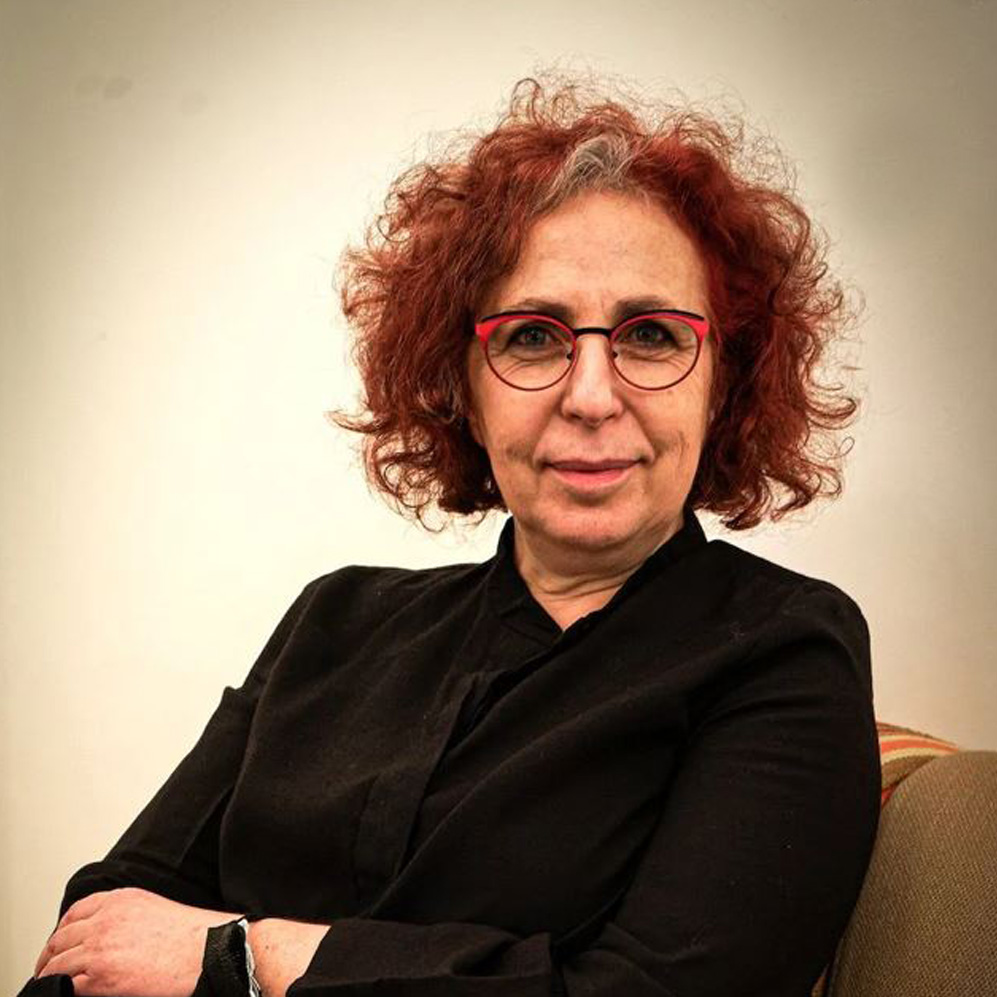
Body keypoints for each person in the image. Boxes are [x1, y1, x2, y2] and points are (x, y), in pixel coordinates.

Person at [26, 73, 880, 997]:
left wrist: (245, 954)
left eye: (651, 335)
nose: (592, 396)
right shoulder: (334, 619)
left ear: (724, 383)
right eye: (531, 337)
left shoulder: (782, 648)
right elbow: (106, 927)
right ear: (458, 386)